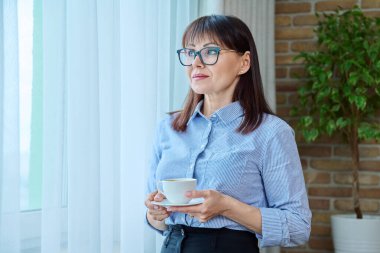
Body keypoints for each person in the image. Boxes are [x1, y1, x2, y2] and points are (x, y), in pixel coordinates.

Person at [144, 15, 311, 253]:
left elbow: (298, 226)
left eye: (210, 52)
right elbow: (157, 221)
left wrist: (225, 207)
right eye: (190, 53)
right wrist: (155, 212)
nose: (196, 63)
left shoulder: (271, 132)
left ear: (244, 63)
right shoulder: (168, 128)